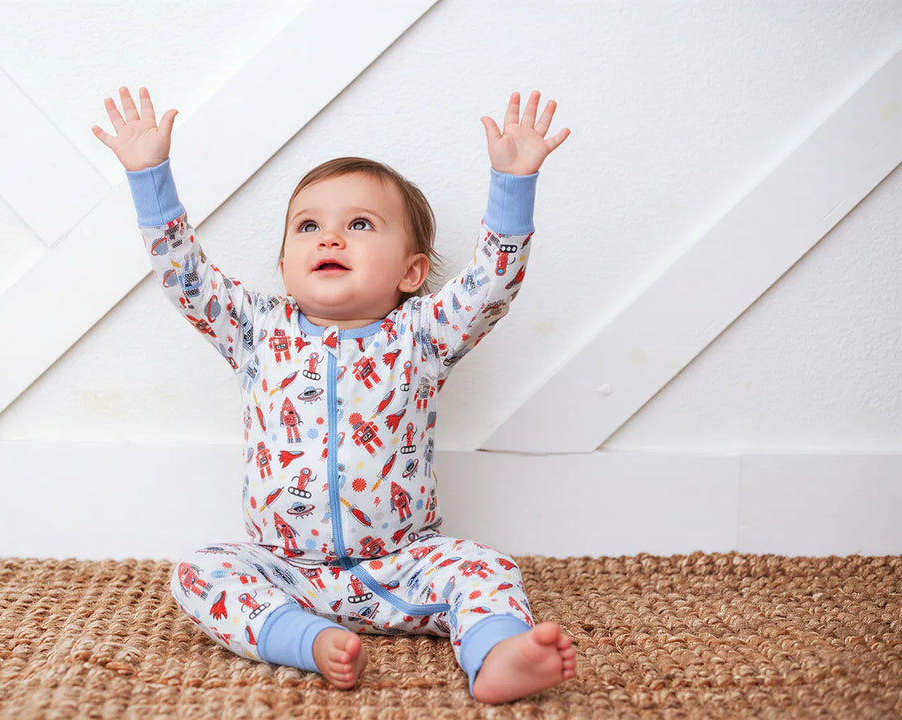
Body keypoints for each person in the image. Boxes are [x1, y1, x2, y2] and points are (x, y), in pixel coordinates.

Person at [93, 86, 574, 704]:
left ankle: (498, 654)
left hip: (403, 562)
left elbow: (492, 283)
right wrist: (148, 177)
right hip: (285, 570)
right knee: (199, 573)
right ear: (287, 262)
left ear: (411, 273)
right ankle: (306, 640)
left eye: (360, 225)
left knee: (488, 568)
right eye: (309, 226)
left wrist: (513, 184)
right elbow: (184, 274)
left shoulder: (422, 334)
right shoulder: (256, 330)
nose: (330, 239)